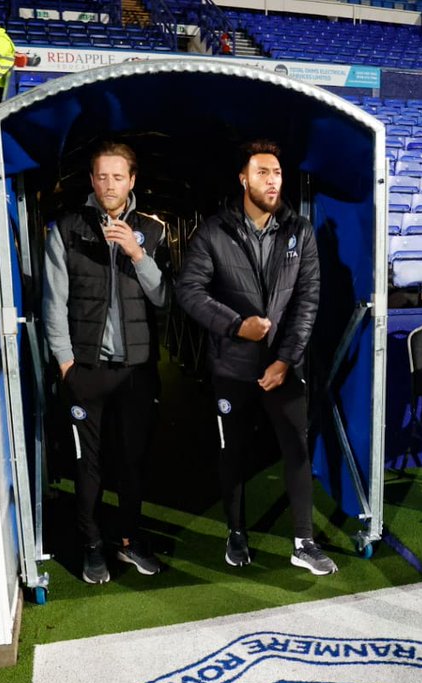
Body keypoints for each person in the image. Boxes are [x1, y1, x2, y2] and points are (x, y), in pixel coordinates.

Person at [176, 140, 336, 576]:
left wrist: (285, 360)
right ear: (244, 178)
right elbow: (189, 292)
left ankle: (303, 541)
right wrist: (235, 325)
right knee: (234, 454)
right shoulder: (214, 231)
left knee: (297, 451)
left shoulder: (299, 231)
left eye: (278, 173)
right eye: (263, 172)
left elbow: (308, 301)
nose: (272, 180)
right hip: (232, 367)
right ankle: (236, 532)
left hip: (284, 368)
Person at [43, 142, 167, 584]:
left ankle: (129, 542)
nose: (109, 185)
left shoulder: (152, 231)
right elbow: (54, 302)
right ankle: (93, 545)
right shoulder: (68, 227)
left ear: (132, 181)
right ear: (92, 180)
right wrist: (66, 364)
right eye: (101, 176)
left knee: (132, 463)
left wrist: (137, 253)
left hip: (135, 371)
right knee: (87, 466)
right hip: (86, 371)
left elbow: (163, 297)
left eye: (118, 177)